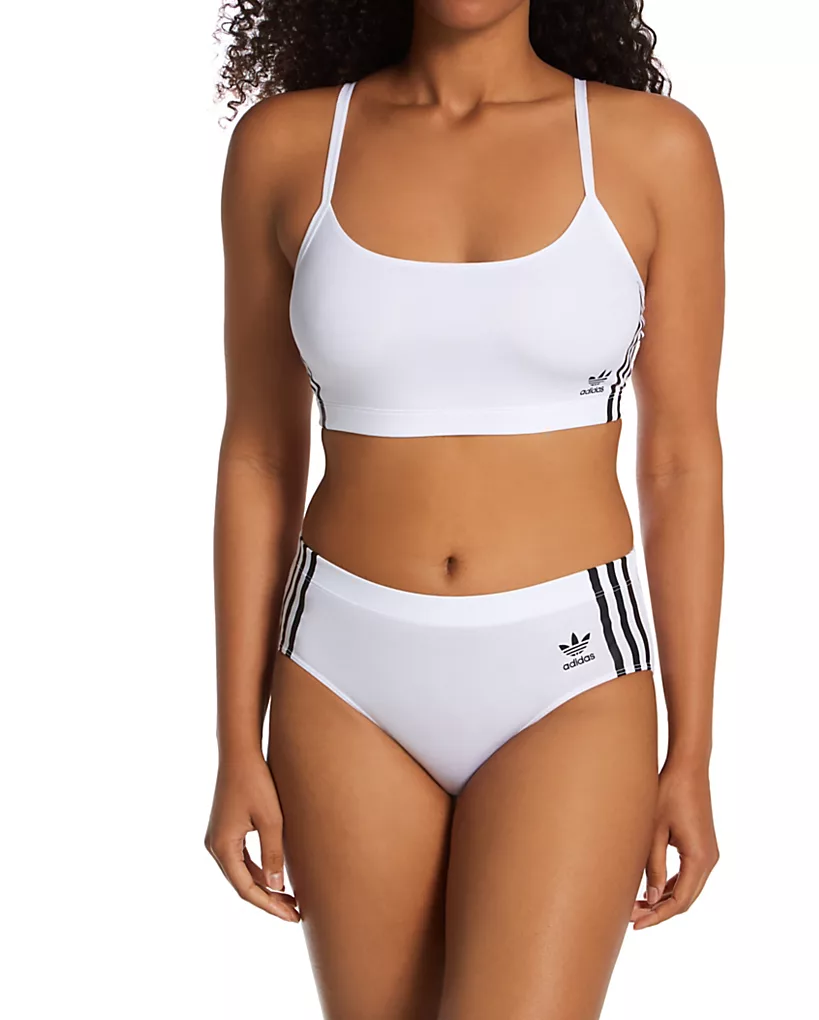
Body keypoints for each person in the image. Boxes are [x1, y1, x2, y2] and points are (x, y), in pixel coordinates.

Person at [205, 1, 724, 1016]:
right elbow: (258, 455)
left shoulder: (651, 148)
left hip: (568, 676)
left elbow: (679, 464)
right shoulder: (285, 147)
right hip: (342, 678)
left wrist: (691, 751)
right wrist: (234, 740)